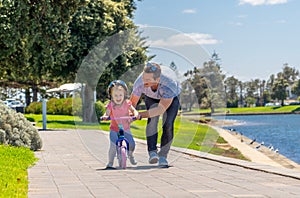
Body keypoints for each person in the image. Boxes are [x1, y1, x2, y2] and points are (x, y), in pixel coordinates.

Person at [130, 62, 181, 166]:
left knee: (168, 124)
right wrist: (129, 114)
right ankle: (152, 152)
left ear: (157, 80)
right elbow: (132, 103)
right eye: (144, 78)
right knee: (152, 120)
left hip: (171, 97)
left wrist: (139, 115)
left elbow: (160, 110)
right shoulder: (140, 82)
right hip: (151, 96)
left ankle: (163, 156)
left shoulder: (169, 84)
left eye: (148, 80)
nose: (144, 82)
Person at [101, 80, 139, 168]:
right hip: (114, 129)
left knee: (132, 144)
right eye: (115, 95)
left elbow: (134, 110)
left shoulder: (127, 103)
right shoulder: (111, 105)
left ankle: (131, 155)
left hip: (125, 128)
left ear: (124, 94)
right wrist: (105, 116)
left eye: (120, 95)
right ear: (111, 95)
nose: (118, 97)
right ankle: (110, 162)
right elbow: (107, 113)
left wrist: (136, 114)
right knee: (113, 146)